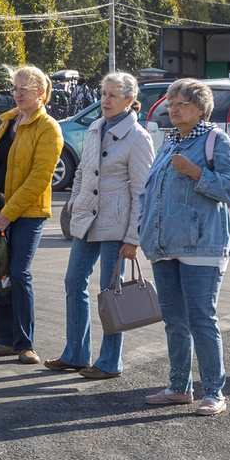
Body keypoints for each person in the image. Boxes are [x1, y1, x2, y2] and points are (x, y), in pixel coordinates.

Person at [136, 79, 230, 416]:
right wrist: (143, 228)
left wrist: (198, 172)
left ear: (200, 108)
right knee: (174, 319)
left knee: (201, 318)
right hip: (165, 246)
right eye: (171, 102)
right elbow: (150, 191)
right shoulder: (169, 143)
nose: (173, 107)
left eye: (181, 103)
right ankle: (179, 387)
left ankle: (214, 391)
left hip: (201, 246)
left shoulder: (215, 141)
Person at [54, 71, 155, 381]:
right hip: (88, 220)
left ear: (130, 100)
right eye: (103, 94)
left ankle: (111, 361)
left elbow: (143, 192)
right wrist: (75, 203)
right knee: (74, 282)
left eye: (113, 95)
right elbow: (83, 170)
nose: (106, 100)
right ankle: (75, 354)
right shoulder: (96, 126)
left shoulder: (139, 138)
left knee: (112, 293)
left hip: (116, 225)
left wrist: (133, 238)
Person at [0, 63, 62, 365]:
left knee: (18, 272)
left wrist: (8, 213)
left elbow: (40, 178)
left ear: (41, 93)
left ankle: (25, 343)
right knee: (1, 271)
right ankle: (5, 339)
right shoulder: (7, 123)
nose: (17, 94)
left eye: (24, 89)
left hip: (28, 214)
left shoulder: (48, 127)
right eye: (15, 88)